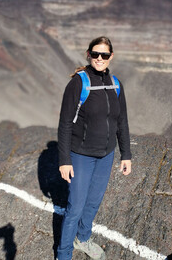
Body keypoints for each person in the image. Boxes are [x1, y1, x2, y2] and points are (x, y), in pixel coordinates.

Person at [56, 36, 132, 260]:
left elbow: (122, 122)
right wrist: (64, 160)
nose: (100, 58)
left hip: (106, 155)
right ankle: (64, 254)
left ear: (111, 57)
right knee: (75, 208)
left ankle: (83, 238)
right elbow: (64, 123)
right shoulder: (79, 82)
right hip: (80, 156)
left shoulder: (115, 84)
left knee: (92, 203)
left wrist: (125, 155)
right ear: (88, 54)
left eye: (105, 55)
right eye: (96, 54)